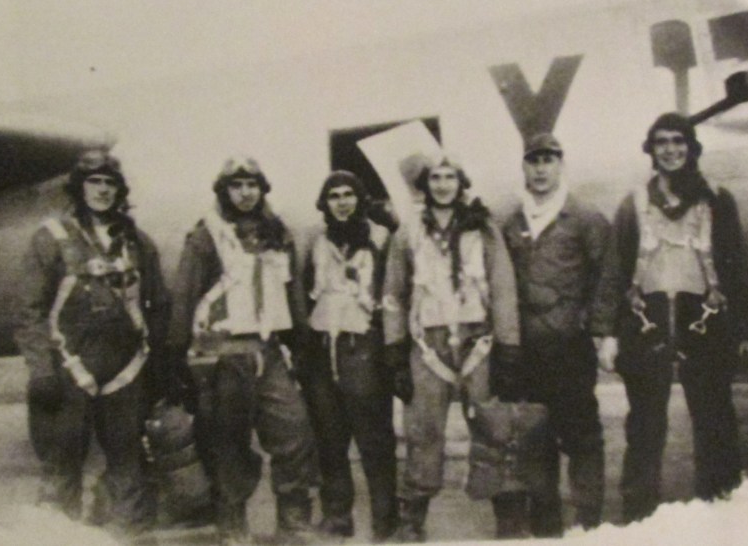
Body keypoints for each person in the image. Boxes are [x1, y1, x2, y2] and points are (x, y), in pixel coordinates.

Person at [13, 149, 171, 536]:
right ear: (79, 188)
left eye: (109, 183)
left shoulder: (136, 241)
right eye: (94, 182)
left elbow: (160, 303)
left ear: (120, 190)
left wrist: (163, 364)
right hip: (70, 368)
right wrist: (41, 369)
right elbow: (29, 311)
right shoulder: (52, 238)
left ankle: (127, 536)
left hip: (125, 369)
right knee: (61, 464)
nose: (102, 190)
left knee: (127, 462)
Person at [165, 156, 319, 546]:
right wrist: (175, 354)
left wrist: (302, 342)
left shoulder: (277, 233)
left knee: (295, 430)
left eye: (252, 185)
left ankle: (294, 521)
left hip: (269, 350)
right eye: (237, 186)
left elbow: (292, 290)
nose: (246, 193)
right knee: (229, 442)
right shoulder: (206, 236)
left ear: (262, 189)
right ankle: (232, 525)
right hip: (225, 353)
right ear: (224, 191)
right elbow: (184, 295)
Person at [609, 113, 747, 523]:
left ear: (691, 147)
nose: (670, 150)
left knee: (715, 422)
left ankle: (723, 517)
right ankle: (639, 520)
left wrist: (743, 331)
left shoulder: (718, 199)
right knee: (645, 429)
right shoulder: (633, 203)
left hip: (704, 322)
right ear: (651, 150)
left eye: (678, 141)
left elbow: (735, 267)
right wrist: (611, 333)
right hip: (647, 324)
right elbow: (617, 271)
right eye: (662, 142)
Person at [382, 152, 521, 543]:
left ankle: (507, 511)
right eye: (435, 178)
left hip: (479, 339)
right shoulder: (407, 233)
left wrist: (509, 347)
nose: (443, 185)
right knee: (423, 428)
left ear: (461, 184)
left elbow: (503, 287)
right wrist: (394, 349)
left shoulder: (484, 229)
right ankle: (414, 517)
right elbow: (393, 293)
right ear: (425, 186)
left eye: (450, 177)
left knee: (493, 425)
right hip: (429, 345)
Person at [501, 133, 620, 537]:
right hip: (527, 350)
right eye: (533, 161)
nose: (540, 169)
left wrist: (601, 330)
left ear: (560, 165)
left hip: (569, 347)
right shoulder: (512, 221)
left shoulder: (585, 217)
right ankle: (546, 522)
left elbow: (608, 277)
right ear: (524, 167)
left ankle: (588, 520)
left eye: (548, 160)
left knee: (582, 436)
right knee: (536, 436)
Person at [299, 170, 398, 542]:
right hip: (325, 349)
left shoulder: (382, 238)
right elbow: (306, 291)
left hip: (365, 348)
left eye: (348, 195)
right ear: (325, 203)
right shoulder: (317, 241)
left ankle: (386, 522)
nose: (342, 202)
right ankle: (338, 516)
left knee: (375, 440)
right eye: (334, 196)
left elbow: (393, 295)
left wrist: (389, 349)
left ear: (360, 200)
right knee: (329, 438)